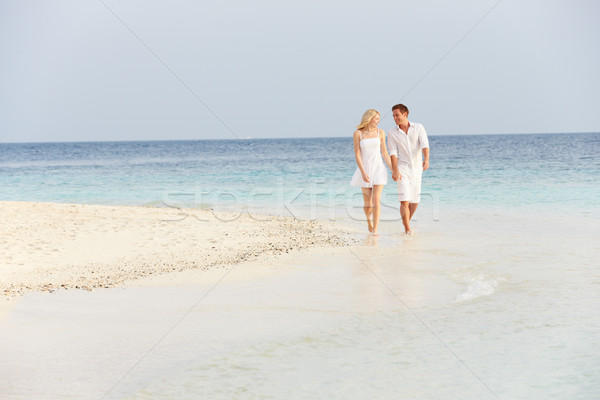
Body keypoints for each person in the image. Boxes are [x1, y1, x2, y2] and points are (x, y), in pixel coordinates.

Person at [387, 104, 429, 235]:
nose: (395, 118)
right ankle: (407, 229)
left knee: (415, 201)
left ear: (405, 114)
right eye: (393, 116)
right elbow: (393, 153)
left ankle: (406, 222)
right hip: (402, 168)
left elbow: (424, 144)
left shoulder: (419, 127)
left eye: (397, 115)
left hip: (417, 169)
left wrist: (426, 159)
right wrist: (395, 170)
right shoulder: (392, 133)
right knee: (404, 199)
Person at [350, 109, 392, 236]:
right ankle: (369, 221)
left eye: (379, 119)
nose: (378, 121)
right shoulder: (358, 134)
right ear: (369, 119)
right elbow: (357, 154)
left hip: (379, 168)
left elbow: (385, 153)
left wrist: (393, 169)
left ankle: (375, 229)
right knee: (367, 204)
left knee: (376, 200)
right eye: (376, 118)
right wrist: (362, 172)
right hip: (365, 169)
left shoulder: (381, 132)